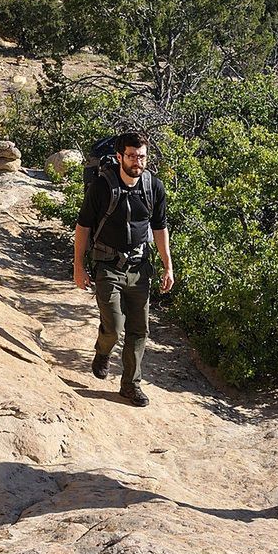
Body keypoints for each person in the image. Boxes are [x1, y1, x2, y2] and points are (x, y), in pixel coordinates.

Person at [73, 132, 174, 407]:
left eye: (141, 156)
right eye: (131, 156)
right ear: (119, 157)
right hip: (108, 265)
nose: (136, 161)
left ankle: (130, 385)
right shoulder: (103, 186)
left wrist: (168, 266)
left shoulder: (154, 186)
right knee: (115, 327)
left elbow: (159, 227)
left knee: (139, 330)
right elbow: (83, 227)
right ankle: (103, 350)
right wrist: (78, 267)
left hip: (140, 268)